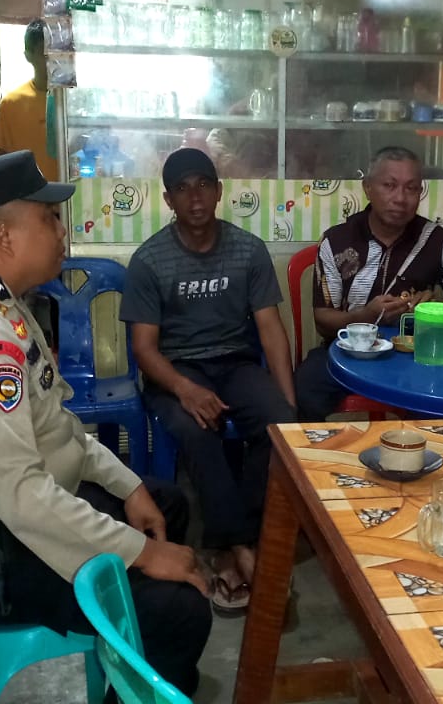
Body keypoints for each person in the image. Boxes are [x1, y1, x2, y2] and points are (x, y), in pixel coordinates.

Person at [0, 151, 210, 697]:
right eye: (49, 219)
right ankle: (145, 658)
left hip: (12, 511)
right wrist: (142, 554)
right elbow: (22, 495)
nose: (62, 231)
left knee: (163, 504)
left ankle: (132, 664)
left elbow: (56, 422)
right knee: (180, 610)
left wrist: (126, 484)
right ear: (4, 236)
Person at [121, 148, 296, 615]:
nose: (195, 197)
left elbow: (270, 329)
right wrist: (184, 388)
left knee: (278, 424)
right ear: (168, 199)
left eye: (203, 185)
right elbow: (143, 349)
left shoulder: (247, 249)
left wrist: (289, 403)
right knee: (197, 431)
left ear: (219, 192)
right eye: (182, 188)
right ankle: (237, 550)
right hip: (175, 370)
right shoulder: (150, 260)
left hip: (235, 364)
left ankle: (239, 540)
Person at [294, 147, 443, 422]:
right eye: (389, 186)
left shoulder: (434, 239)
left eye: (411, 188)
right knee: (305, 385)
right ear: (368, 188)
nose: (400, 198)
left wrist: (442, 305)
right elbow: (323, 320)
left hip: (417, 355)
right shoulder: (337, 241)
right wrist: (366, 316)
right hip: (350, 352)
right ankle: (315, 461)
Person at [0, 21, 60, 180]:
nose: (53, 60)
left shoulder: (79, 103)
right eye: (45, 54)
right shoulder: (11, 104)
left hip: (79, 197)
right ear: (28, 56)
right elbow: (4, 161)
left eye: (58, 52)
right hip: (33, 199)